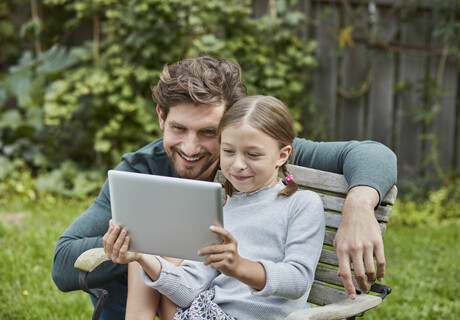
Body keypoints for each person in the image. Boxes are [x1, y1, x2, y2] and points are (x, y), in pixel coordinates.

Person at [51, 55, 397, 319]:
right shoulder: (142, 169)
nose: (189, 148)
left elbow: (371, 154)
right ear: (160, 117)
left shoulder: (257, 154)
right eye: (178, 129)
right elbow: (64, 263)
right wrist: (148, 244)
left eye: (208, 133)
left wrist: (360, 204)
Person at [103, 95, 326, 320]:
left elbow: (298, 280)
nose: (238, 164)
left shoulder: (302, 204)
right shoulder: (222, 209)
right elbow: (188, 290)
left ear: (282, 155)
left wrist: (239, 266)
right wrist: (141, 256)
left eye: (253, 154)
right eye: (228, 152)